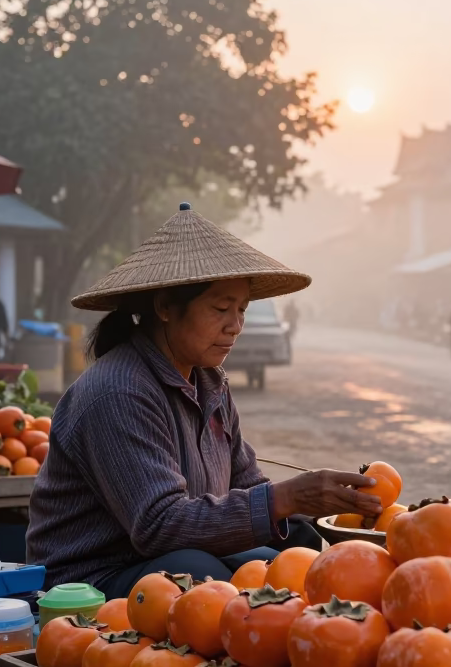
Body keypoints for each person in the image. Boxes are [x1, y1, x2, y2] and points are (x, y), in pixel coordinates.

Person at [26, 203, 382, 597]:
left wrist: (330, 507)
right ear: (164, 307)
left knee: (295, 542)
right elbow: (160, 526)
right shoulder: (119, 391)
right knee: (200, 573)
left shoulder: (210, 381)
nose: (235, 326)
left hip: (174, 553)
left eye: (242, 310)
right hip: (96, 577)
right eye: (220, 309)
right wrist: (286, 496)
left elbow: (247, 483)